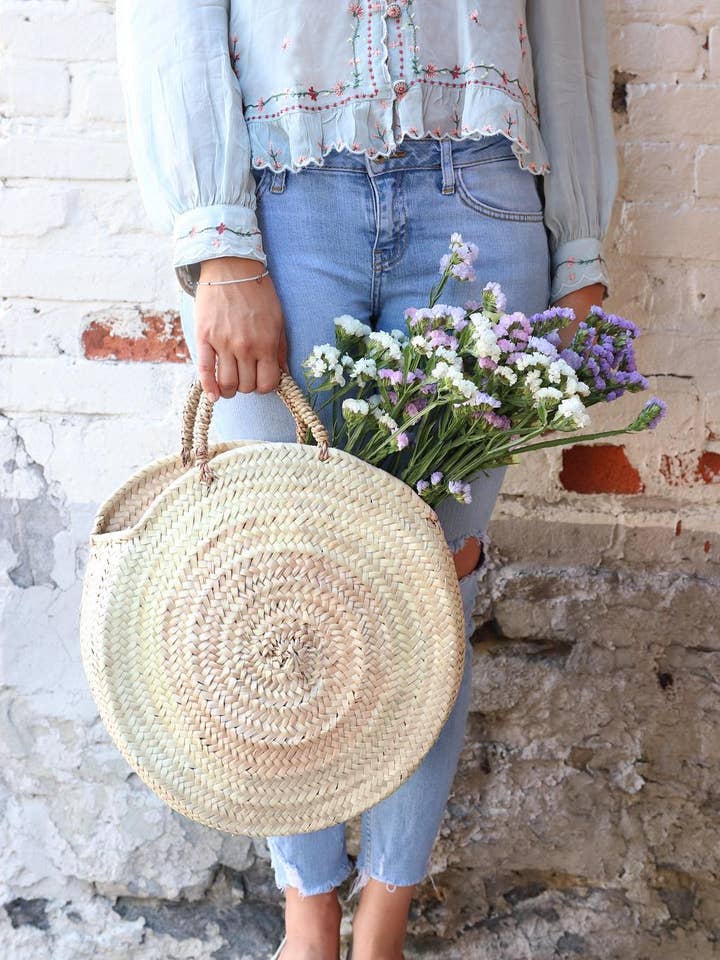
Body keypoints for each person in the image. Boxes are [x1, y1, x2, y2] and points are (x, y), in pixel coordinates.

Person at [115, 2, 617, 958]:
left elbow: (570, 18)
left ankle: (383, 928)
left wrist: (581, 244)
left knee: (432, 590)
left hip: (482, 189)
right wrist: (219, 245)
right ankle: (308, 923)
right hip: (283, 203)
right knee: (279, 587)